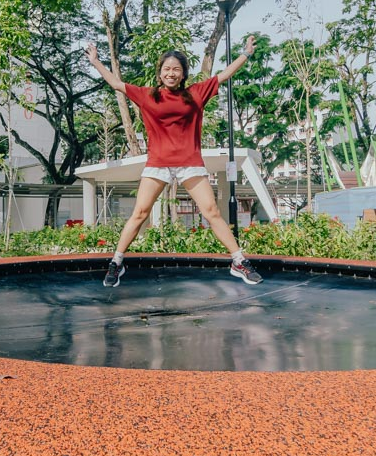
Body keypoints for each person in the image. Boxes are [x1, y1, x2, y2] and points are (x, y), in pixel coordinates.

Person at [86, 38, 263, 287]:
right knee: (140, 213)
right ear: (160, 73)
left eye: (176, 69)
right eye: (167, 69)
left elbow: (223, 75)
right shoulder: (147, 95)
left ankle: (238, 260)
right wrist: (95, 61)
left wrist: (245, 54)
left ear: (183, 74)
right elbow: (116, 83)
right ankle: (116, 262)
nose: (171, 73)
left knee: (211, 211)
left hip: (189, 162)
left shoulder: (195, 93)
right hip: (158, 163)